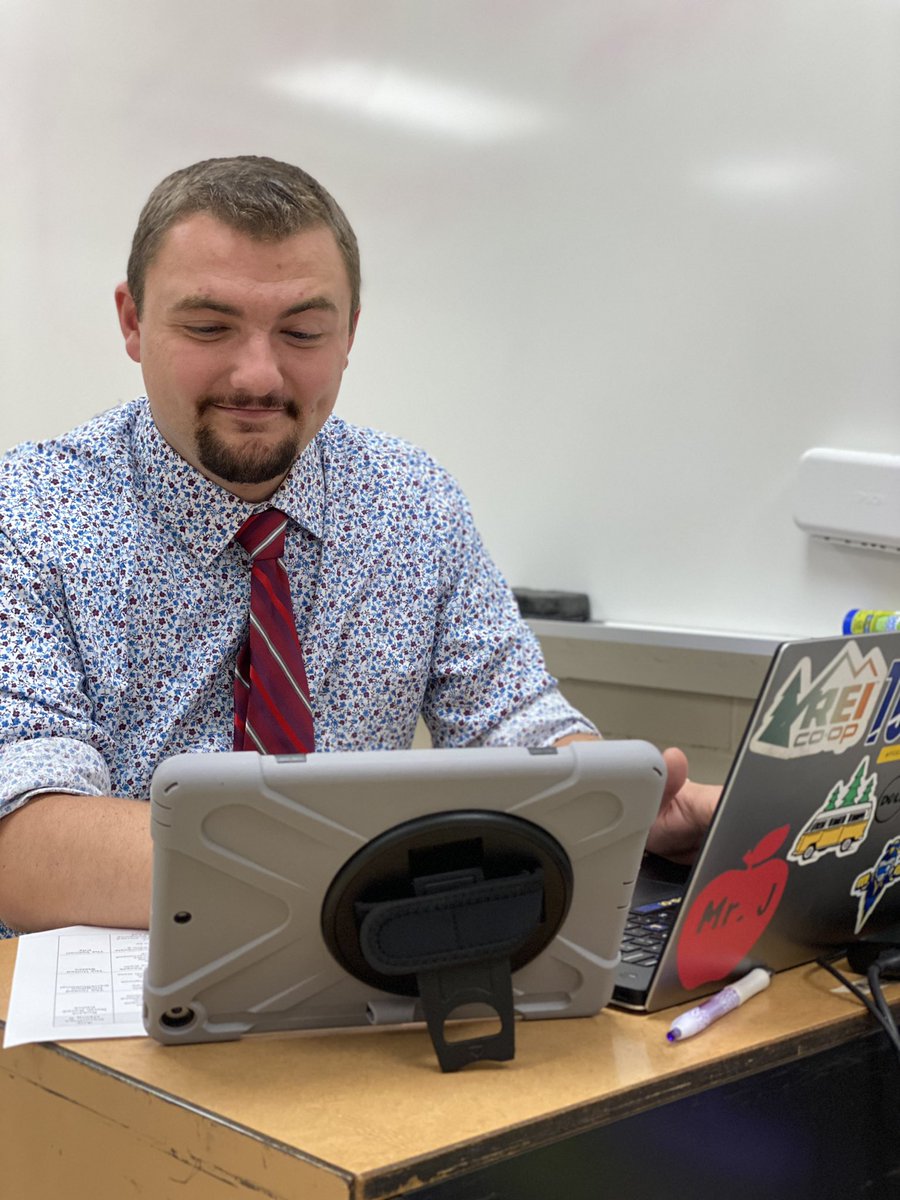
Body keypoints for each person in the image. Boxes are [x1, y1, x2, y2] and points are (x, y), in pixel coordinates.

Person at [0, 156, 717, 934]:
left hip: (366, 977)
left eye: (303, 331)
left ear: (350, 335)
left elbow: (511, 716)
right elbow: (27, 848)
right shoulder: (30, 517)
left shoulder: (412, 501)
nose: (258, 374)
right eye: (208, 327)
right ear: (133, 322)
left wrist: (610, 809)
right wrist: (353, 864)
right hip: (109, 1016)